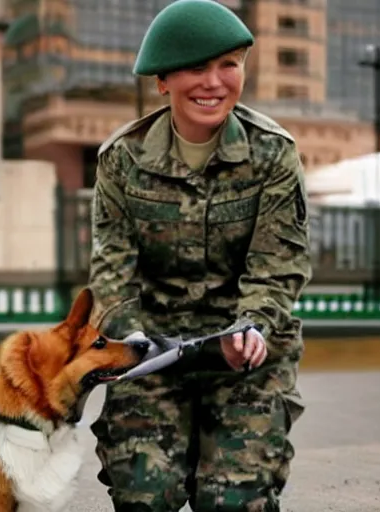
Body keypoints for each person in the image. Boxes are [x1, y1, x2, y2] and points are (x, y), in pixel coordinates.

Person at [87, 0, 312, 510]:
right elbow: (112, 271)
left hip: (243, 352)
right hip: (153, 350)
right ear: (162, 80)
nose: (214, 82)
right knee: (145, 495)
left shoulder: (272, 152)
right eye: (195, 67)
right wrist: (134, 338)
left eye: (228, 65)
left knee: (233, 500)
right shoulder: (122, 159)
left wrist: (252, 326)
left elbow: (278, 266)